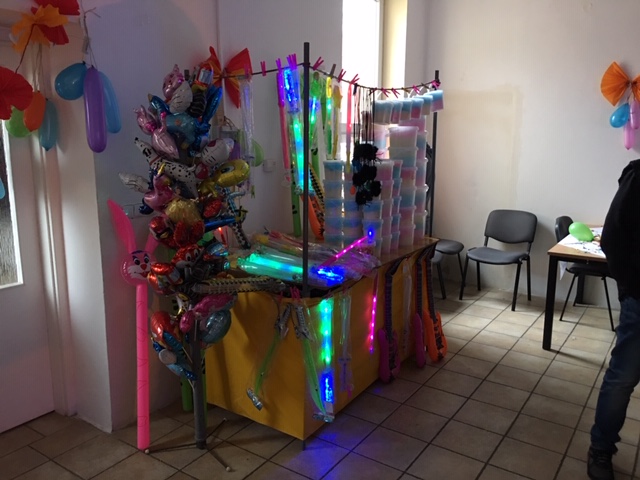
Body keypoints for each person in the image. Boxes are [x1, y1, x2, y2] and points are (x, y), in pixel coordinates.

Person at [589, 159, 640, 480]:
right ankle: (601, 448)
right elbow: (613, 239)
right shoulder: (638, 176)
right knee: (623, 378)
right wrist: (630, 287)